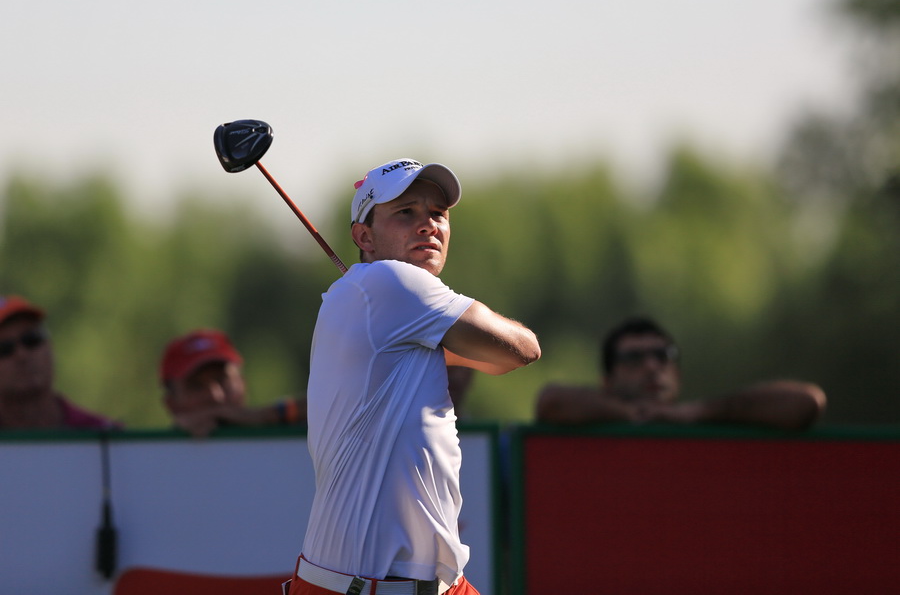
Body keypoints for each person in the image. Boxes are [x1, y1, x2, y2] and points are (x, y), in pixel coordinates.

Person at [288, 159, 541, 595]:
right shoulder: (392, 282)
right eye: (405, 212)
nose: (428, 224)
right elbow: (523, 348)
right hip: (361, 588)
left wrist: (440, 343)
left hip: (436, 585)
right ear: (364, 237)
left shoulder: (371, 296)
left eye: (438, 213)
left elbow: (501, 361)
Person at [535, 316, 826, 430]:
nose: (652, 367)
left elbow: (806, 403)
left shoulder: (706, 422)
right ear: (607, 382)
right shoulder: (591, 427)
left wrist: (698, 413)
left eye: (663, 356)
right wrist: (632, 414)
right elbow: (550, 401)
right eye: (633, 358)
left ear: (678, 373)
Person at [0, 294, 120, 430]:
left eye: (31, 339)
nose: (22, 355)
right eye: (4, 349)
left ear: (50, 346)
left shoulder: (102, 435)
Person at [160, 328, 306, 438]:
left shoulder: (284, 427)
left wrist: (260, 417)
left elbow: (318, 408)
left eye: (222, 379)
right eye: (196, 386)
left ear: (242, 383)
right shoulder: (155, 454)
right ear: (171, 404)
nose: (215, 395)